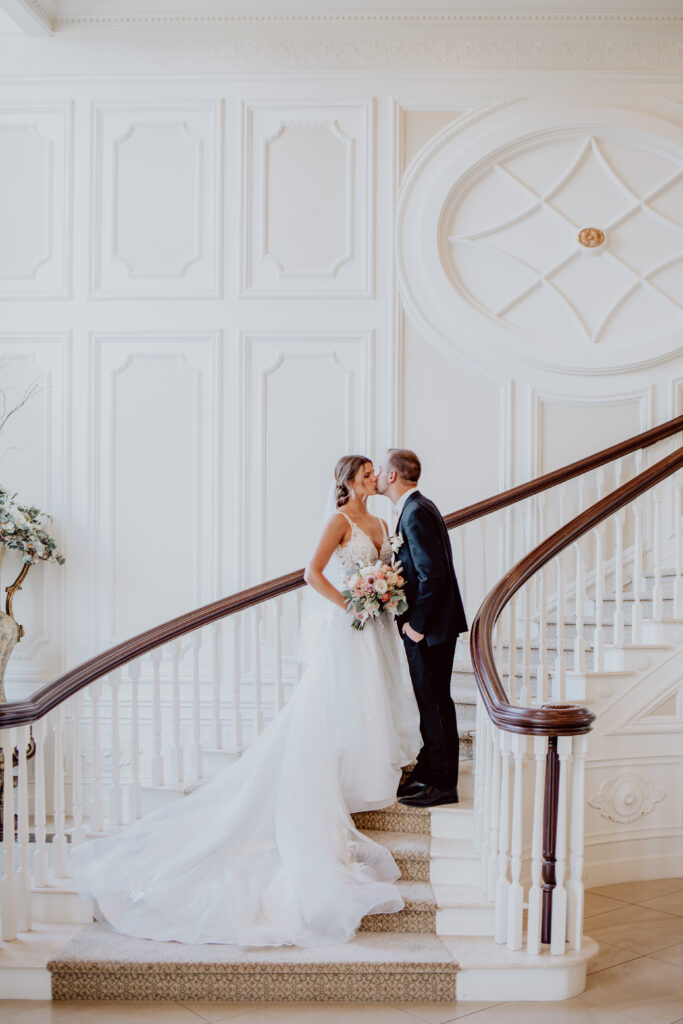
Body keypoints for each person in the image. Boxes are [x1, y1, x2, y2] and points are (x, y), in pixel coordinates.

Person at [70, 455, 420, 947]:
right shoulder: (339, 521)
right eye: (364, 472)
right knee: (338, 698)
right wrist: (353, 602)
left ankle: (368, 767)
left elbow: (390, 568)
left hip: (376, 626)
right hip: (349, 625)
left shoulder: (383, 522)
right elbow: (312, 574)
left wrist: (383, 594)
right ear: (348, 480)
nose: (371, 477)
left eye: (372, 472)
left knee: (373, 695)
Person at [376, 449, 467, 808]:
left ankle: (444, 784)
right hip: (431, 627)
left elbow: (434, 574)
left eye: (382, 469)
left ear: (394, 476)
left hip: (430, 629)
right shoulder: (416, 509)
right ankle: (431, 771)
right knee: (431, 702)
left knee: (435, 703)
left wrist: (417, 625)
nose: (378, 474)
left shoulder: (415, 512)